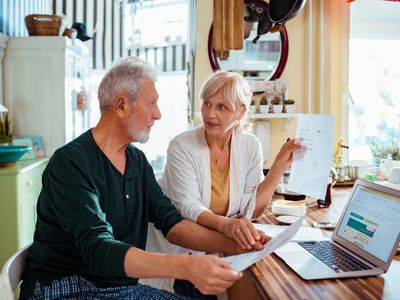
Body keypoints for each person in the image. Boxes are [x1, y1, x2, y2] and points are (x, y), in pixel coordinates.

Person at [19, 58, 270, 300]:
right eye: (152, 103)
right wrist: (187, 266)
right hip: (65, 288)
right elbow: (98, 249)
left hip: (118, 289)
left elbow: (172, 224)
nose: (158, 114)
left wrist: (238, 243)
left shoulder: (137, 161)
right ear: (121, 105)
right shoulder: (70, 163)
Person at [143, 71, 302, 298]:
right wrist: (227, 225)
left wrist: (278, 167)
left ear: (240, 112)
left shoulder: (249, 146)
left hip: (212, 256)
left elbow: (252, 209)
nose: (209, 114)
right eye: (207, 103)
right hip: (177, 255)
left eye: (221, 107)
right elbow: (188, 207)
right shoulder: (181, 146)